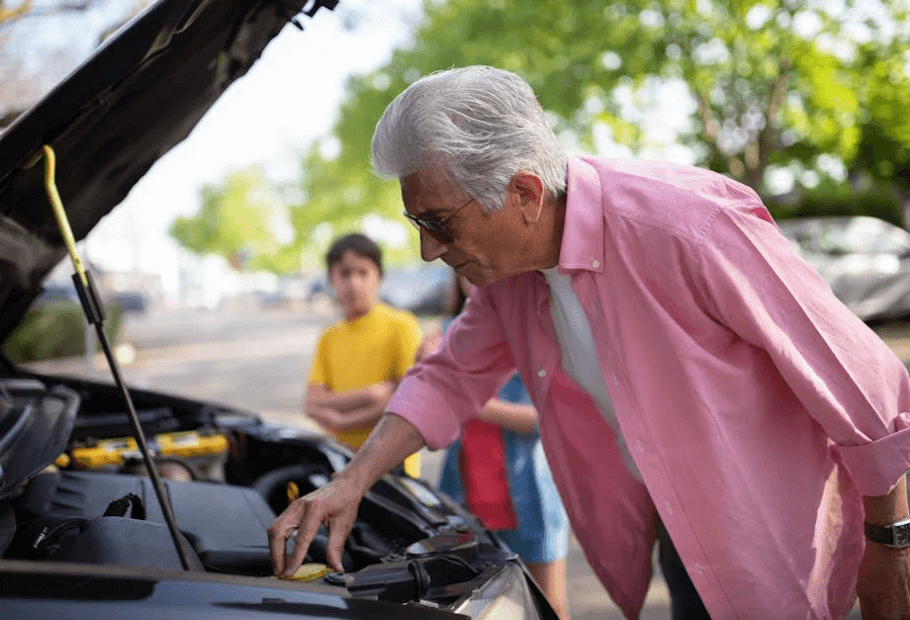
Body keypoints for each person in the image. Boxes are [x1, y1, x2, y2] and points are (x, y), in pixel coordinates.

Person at [270, 66, 910, 620]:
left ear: (523, 191)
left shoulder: (689, 227)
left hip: (769, 534)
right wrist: (350, 482)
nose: (426, 250)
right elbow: (447, 376)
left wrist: (893, 544)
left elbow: (866, 387)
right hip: (676, 531)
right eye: (417, 223)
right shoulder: (509, 276)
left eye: (439, 222)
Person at [430, 273, 570, 619]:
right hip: (466, 497)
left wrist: (474, 401)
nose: (474, 274)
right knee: (479, 608)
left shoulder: (539, 328)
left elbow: (547, 420)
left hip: (530, 497)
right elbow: (433, 415)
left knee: (548, 604)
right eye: (463, 267)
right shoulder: (443, 334)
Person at [303, 232, 422, 478]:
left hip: (392, 463)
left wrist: (342, 421)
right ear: (331, 279)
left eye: (363, 272)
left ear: (379, 276)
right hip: (342, 462)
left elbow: (407, 400)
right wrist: (371, 395)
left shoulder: (400, 325)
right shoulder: (329, 336)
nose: (354, 283)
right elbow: (311, 402)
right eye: (344, 273)